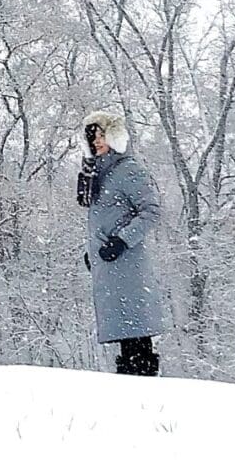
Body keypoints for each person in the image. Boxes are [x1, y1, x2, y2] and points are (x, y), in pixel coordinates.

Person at [76, 110, 167, 375]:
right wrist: (91, 250)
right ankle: (130, 378)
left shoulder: (128, 170)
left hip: (128, 265)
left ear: (114, 136)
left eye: (102, 135)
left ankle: (141, 380)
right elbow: (103, 217)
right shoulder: (93, 174)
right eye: (92, 137)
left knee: (135, 330)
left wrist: (122, 241)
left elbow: (151, 211)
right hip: (108, 263)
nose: (97, 142)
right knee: (125, 332)